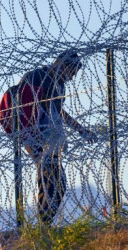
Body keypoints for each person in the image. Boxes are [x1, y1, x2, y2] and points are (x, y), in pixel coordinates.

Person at [17, 50, 97, 225]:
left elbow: (59, 112)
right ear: (62, 65)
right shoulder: (37, 76)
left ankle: (45, 224)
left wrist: (80, 129)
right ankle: (44, 225)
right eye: (72, 72)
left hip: (51, 139)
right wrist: (31, 134)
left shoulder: (60, 85)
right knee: (49, 179)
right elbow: (22, 104)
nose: (72, 78)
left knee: (57, 183)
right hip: (35, 136)